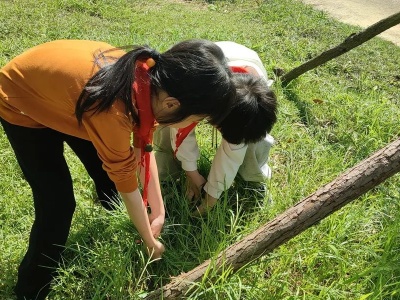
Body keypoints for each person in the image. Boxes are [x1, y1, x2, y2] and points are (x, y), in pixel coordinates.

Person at [0, 39, 236, 300]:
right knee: (57, 204)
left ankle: (113, 224)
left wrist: (158, 212)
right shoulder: (114, 109)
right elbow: (125, 174)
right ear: (172, 104)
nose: (195, 123)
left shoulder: (150, 79)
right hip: (20, 101)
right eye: (198, 118)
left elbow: (143, 151)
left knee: (109, 179)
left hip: (72, 98)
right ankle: (30, 290)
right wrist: (150, 241)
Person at [154, 41, 277, 215]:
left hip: (245, 65)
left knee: (255, 141)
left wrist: (211, 197)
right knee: (168, 123)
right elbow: (181, 129)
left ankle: (253, 177)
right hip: (198, 75)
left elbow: (232, 153)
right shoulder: (202, 91)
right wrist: (191, 173)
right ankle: (166, 173)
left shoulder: (250, 106)